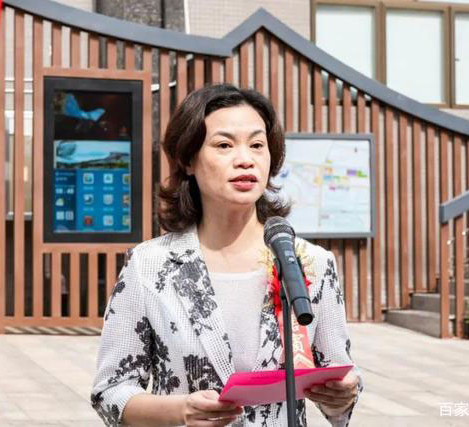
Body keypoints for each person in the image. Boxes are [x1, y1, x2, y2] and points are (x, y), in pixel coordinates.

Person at [91, 84, 363, 427]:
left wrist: (343, 394)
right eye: (224, 145)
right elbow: (111, 392)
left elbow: (339, 382)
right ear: (188, 160)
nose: (245, 159)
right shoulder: (148, 265)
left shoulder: (312, 262)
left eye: (257, 145)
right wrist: (181, 411)